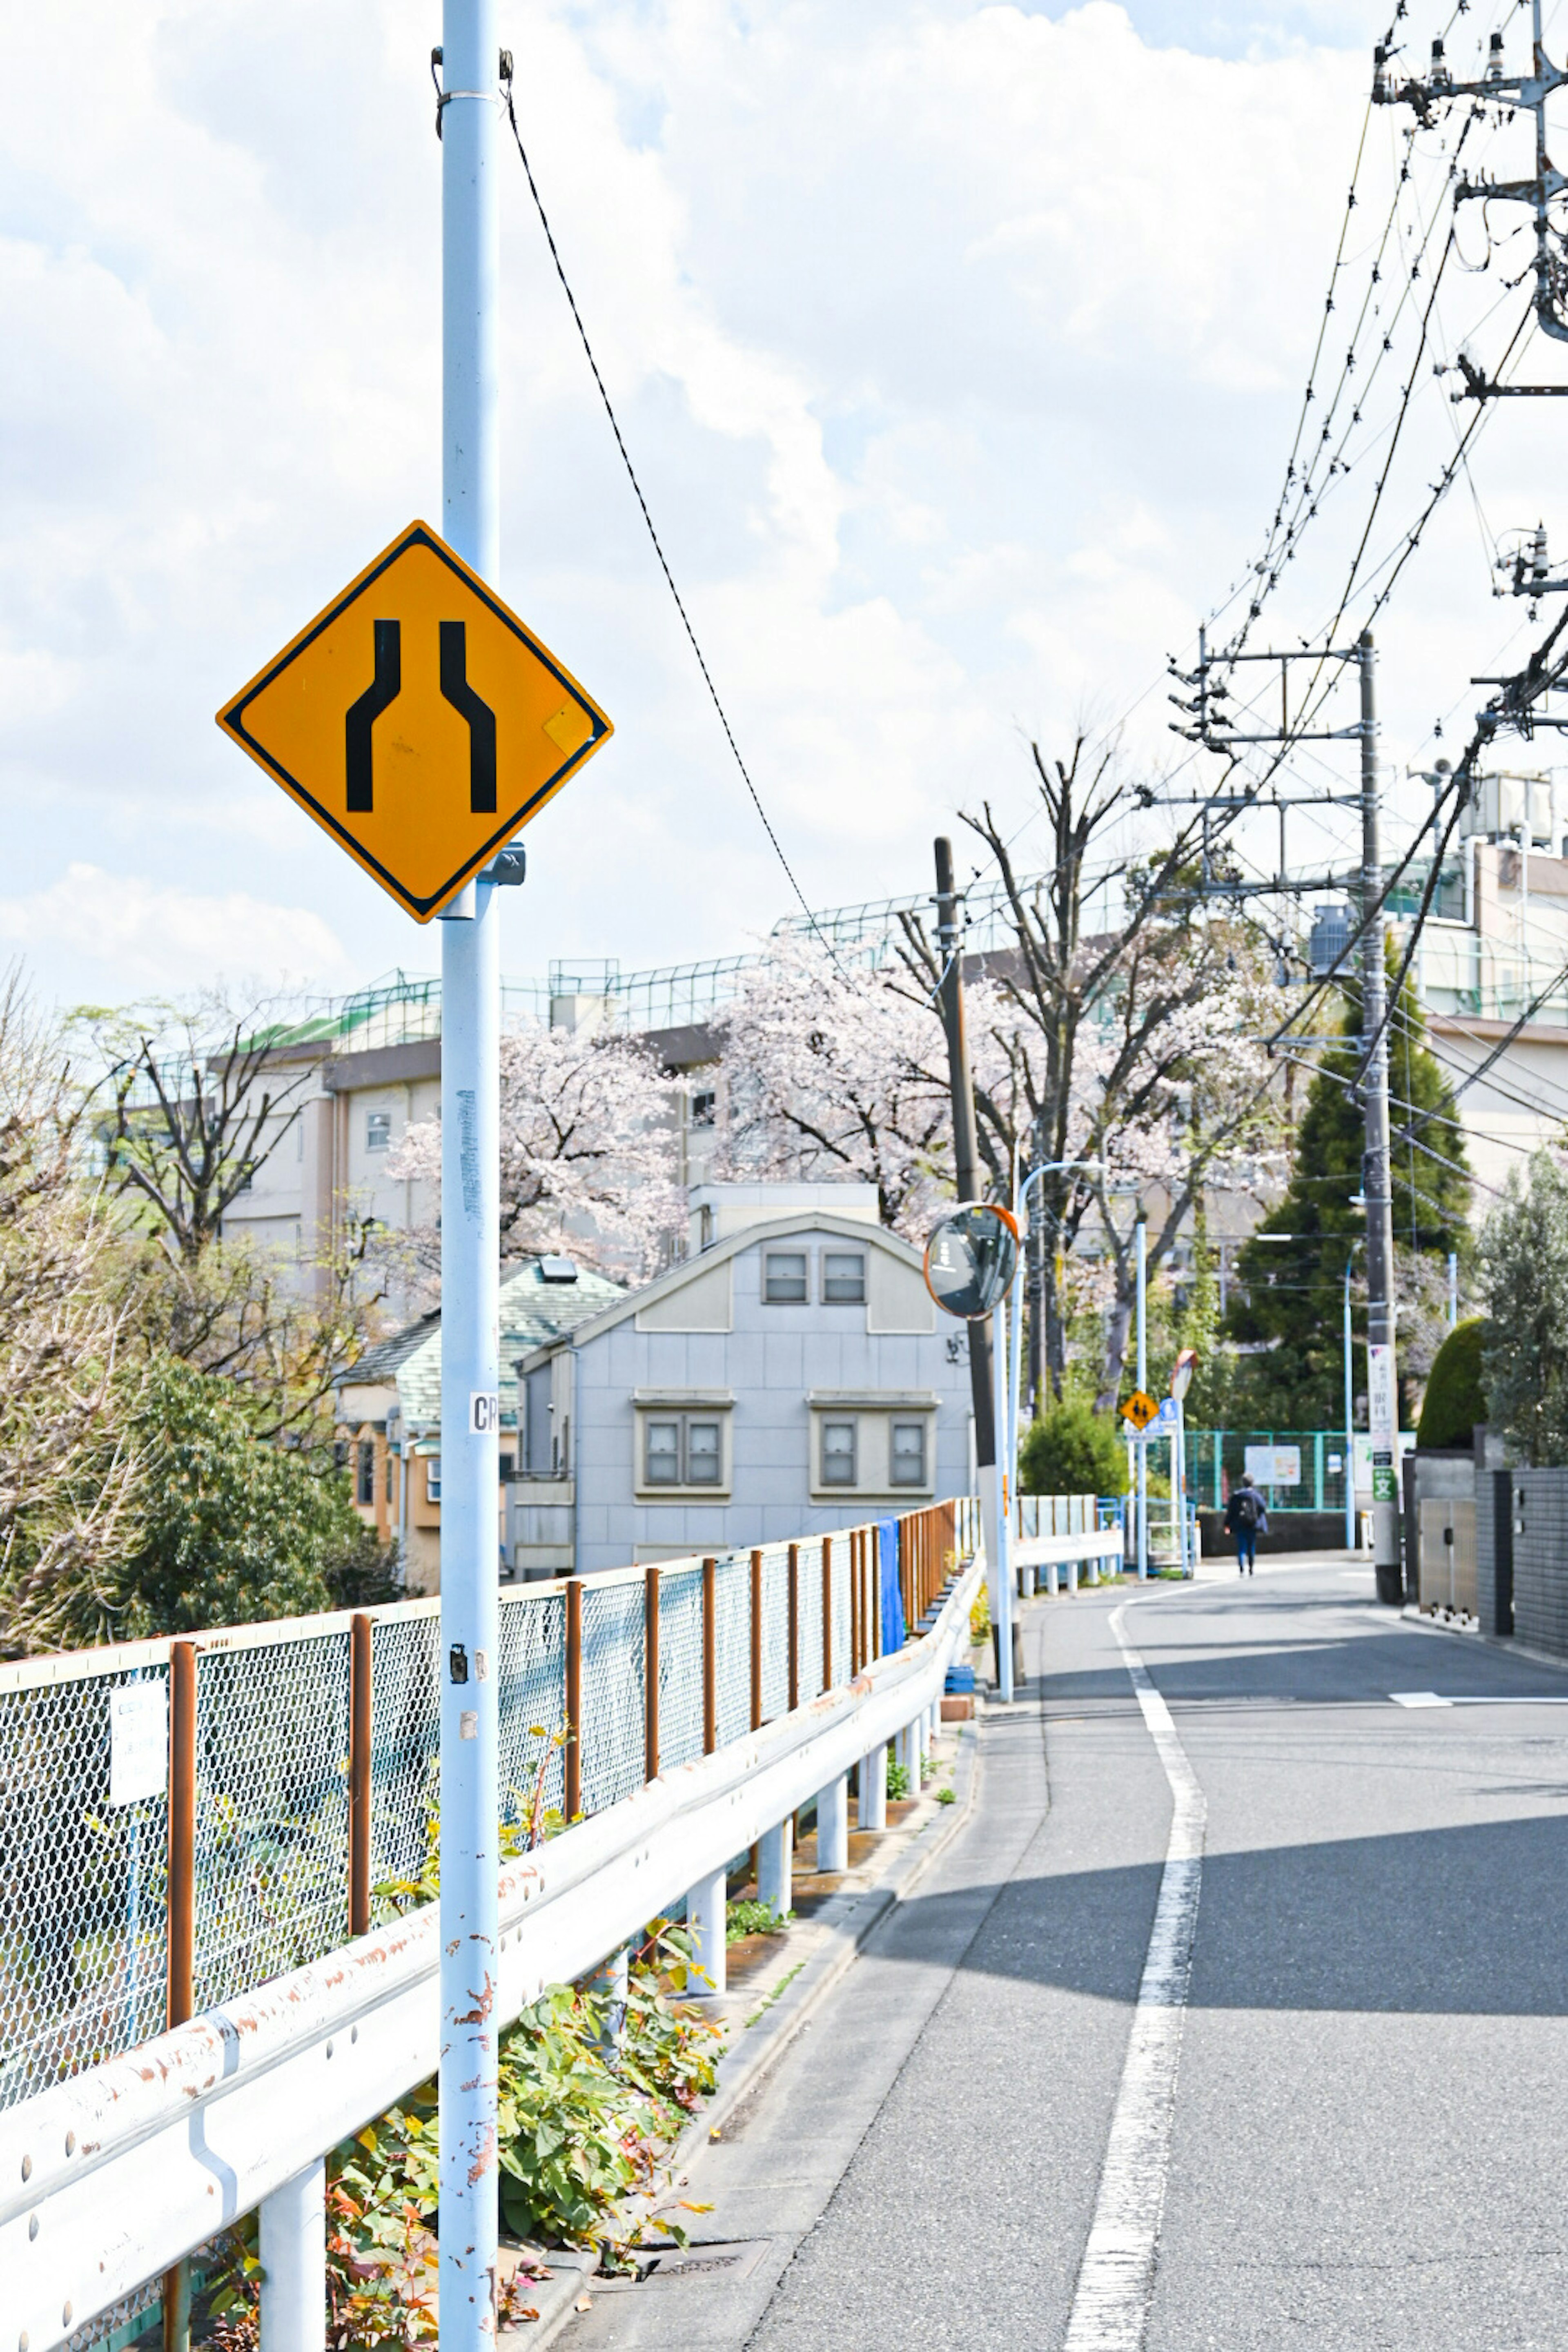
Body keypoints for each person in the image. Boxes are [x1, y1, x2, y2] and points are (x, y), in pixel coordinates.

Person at [1224, 1476, 1268, 1575]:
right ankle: (1251, 1569)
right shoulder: (1256, 1495)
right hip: (1252, 1525)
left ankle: (1242, 1569)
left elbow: (1231, 1512)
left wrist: (1227, 1524)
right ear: (1252, 1483)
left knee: (1241, 1548)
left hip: (1240, 1525)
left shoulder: (1237, 1496)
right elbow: (1263, 1507)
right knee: (1251, 1547)